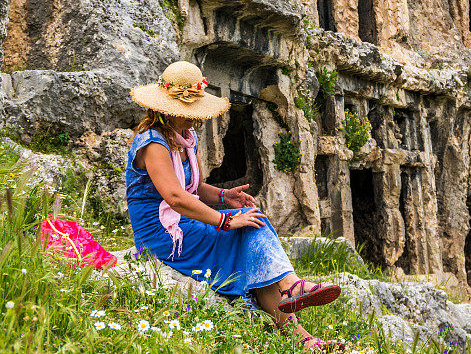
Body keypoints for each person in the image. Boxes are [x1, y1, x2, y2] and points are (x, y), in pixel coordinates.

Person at [126, 61, 343, 350]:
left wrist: (224, 197)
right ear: (166, 110)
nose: (194, 119)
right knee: (245, 228)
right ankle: (292, 286)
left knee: (252, 224)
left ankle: (303, 338)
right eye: (187, 113)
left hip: (183, 222)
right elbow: (175, 197)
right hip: (163, 233)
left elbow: (195, 188)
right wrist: (225, 220)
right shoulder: (152, 144)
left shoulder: (182, 139)